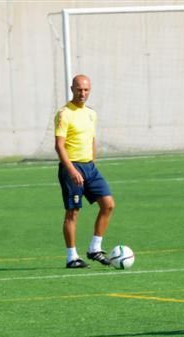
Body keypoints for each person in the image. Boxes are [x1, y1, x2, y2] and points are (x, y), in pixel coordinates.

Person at [54, 74, 114, 269]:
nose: (83, 93)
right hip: (72, 167)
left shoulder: (91, 113)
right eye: (79, 89)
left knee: (108, 204)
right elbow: (59, 146)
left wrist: (93, 162)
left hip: (90, 167)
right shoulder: (64, 113)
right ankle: (72, 257)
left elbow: (92, 139)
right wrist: (71, 170)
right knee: (73, 213)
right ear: (72, 89)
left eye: (86, 90)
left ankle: (95, 248)